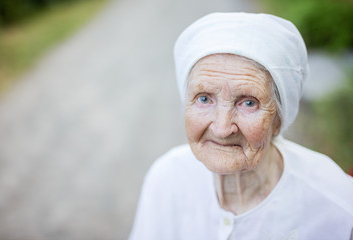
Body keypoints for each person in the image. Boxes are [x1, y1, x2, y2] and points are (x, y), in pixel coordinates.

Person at [129, 12, 353, 240]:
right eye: (204, 98)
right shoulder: (166, 178)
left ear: (278, 119)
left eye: (248, 103)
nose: (222, 128)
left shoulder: (338, 208)